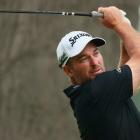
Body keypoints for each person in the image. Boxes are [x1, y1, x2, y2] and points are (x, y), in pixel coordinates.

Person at [56, 6, 140, 140]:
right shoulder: (98, 91)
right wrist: (118, 23)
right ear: (68, 70)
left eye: (95, 53)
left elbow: (127, 75)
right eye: (83, 58)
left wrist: (125, 25)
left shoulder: (88, 95)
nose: (94, 62)